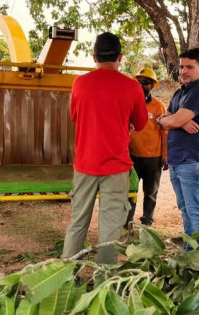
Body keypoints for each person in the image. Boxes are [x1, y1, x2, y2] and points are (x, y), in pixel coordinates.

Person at [61, 32, 148, 264]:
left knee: (78, 221)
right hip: (116, 167)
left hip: (85, 165)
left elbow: (74, 117)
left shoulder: (80, 83)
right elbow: (140, 123)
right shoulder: (132, 87)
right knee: (110, 228)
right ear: (120, 56)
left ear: (94, 57)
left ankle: (66, 277)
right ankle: (104, 282)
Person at [157, 48, 199, 236]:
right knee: (186, 210)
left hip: (192, 159)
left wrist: (175, 120)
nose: (183, 71)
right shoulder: (180, 93)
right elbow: (165, 121)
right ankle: (191, 256)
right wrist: (170, 121)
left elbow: (171, 121)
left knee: (196, 213)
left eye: (189, 67)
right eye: (181, 67)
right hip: (177, 159)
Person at [125, 67, 167, 228]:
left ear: (153, 85)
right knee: (130, 192)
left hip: (153, 158)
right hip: (132, 157)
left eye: (147, 83)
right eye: (140, 82)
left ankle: (147, 221)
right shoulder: (128, 104)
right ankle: (127, 222)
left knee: (150, 193)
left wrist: (165, 156)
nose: (143, 85)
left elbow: (164, 133)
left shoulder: (159, 106)